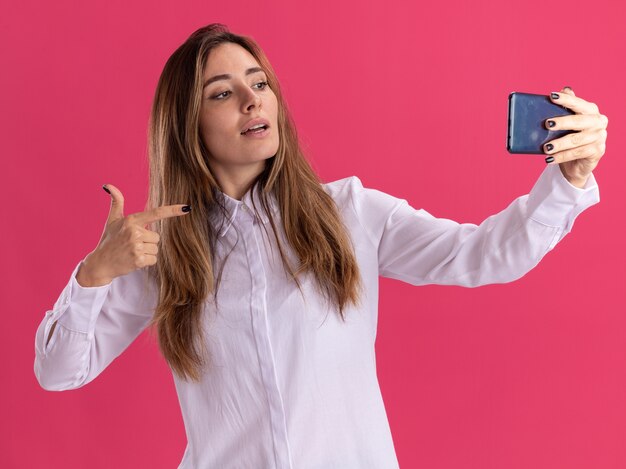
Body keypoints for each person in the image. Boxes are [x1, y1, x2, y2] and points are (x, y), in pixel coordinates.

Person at [34, 23, 607, 469]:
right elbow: (59, 372)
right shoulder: (165, 252)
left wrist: (568, 182)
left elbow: (483, 255)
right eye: (223, 93)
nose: (252, 101)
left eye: (259, 84)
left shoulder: (350, 212)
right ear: (188, 124)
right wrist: (94, 274)